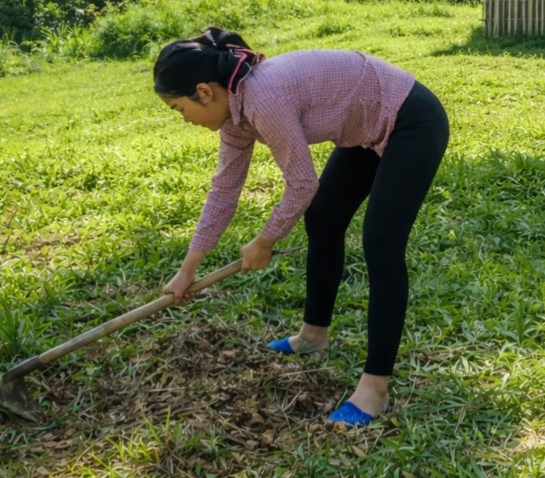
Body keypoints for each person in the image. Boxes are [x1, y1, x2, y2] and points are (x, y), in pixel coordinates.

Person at [155, 27, 449, 427]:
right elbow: (224, 190)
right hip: (365, 128)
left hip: (411, 120)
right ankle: (313, 337)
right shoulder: (234, 114)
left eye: (178, 109)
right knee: (324, 216)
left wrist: (265, 240)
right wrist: (187, 271)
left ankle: (374, 388)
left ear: (205, 92)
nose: (184, 119)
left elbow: (301, 184)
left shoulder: (264, 99)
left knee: (380, 242)